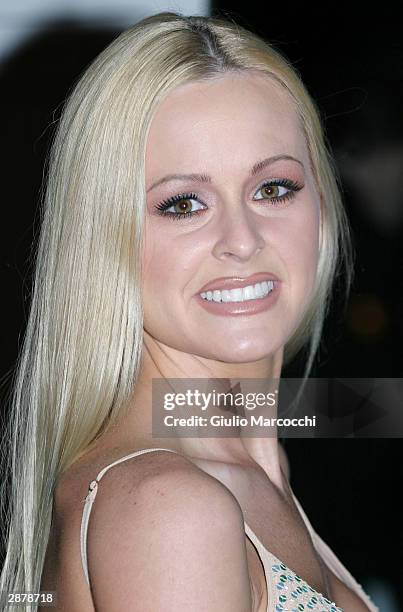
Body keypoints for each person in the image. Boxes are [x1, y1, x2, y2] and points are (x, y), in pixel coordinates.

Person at [0, 11, 379, 612]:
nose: (243, 239)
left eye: (273, 188)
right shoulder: (169, 509)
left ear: (322, 206)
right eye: (182, 204)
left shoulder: (251, 464)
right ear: (104, 236)